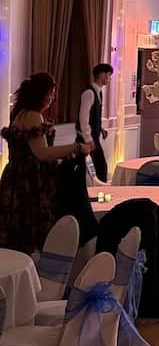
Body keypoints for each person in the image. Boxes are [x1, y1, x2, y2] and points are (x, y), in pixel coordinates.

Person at [0, 73, 93, 254]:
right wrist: (75, 147)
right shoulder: (34, 116)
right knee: (32, 230)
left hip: (15, 178)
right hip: (30, 182)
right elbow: (41, 153)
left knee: (16, 231)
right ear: (40, 94)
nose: (52, 98)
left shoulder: (19, 114)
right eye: (50, 94)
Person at [78, 63, 112, 183]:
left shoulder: (99, 92)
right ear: (102, 75)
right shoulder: (89, 93)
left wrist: (100, 127)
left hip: (93, 137)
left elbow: (92, 116)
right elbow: (83, 118)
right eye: (108, 75)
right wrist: (88, 139)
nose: (109, 78)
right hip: (86, 140)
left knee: (98, 169)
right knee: (98, 168)